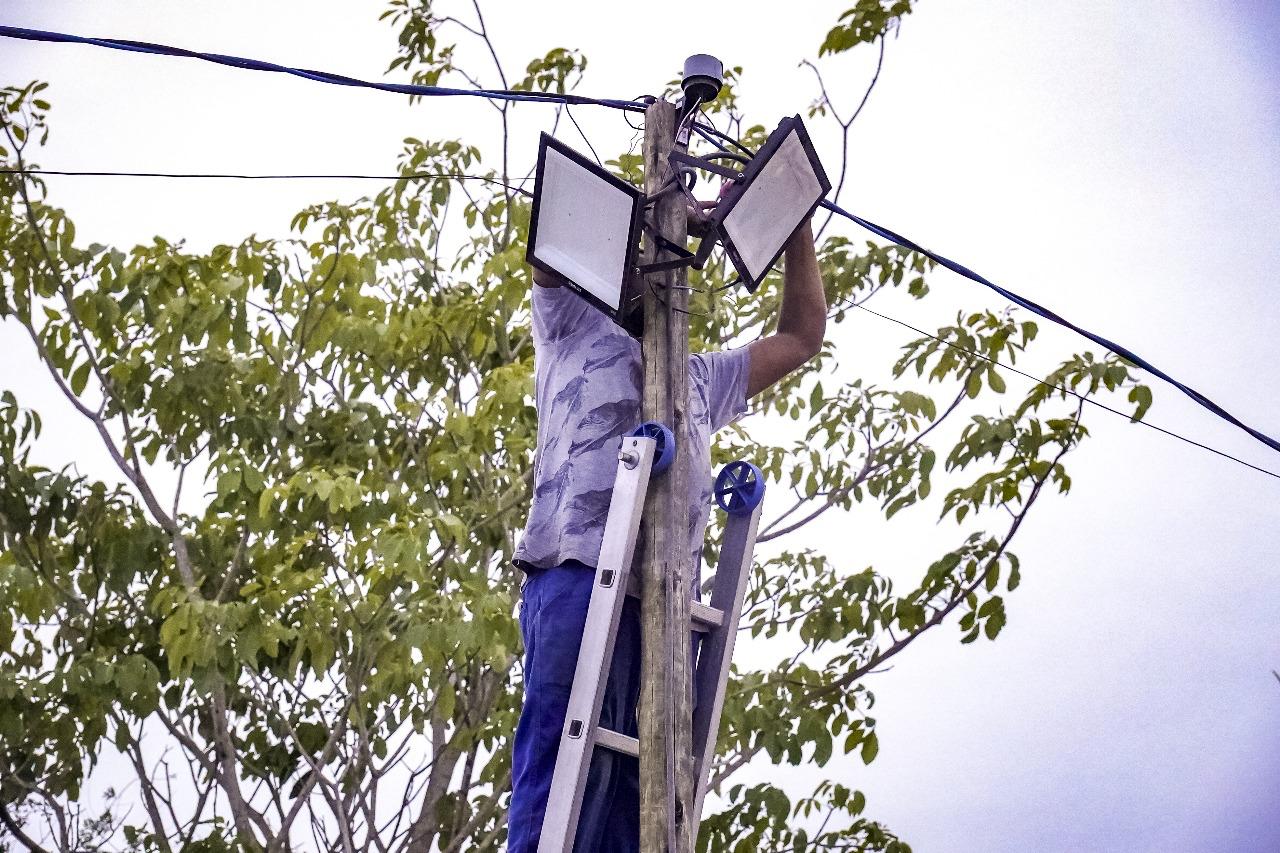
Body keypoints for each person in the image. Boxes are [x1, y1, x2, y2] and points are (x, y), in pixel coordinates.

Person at [508, 213, 827, 853]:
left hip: (663, 603)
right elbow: (552, 247)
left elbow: (800, 337)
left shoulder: (695, 378)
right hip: (576, 578)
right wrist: (656, 213)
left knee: (640, 787)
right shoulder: (571, 324)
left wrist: (791, 224)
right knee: (561, 767)